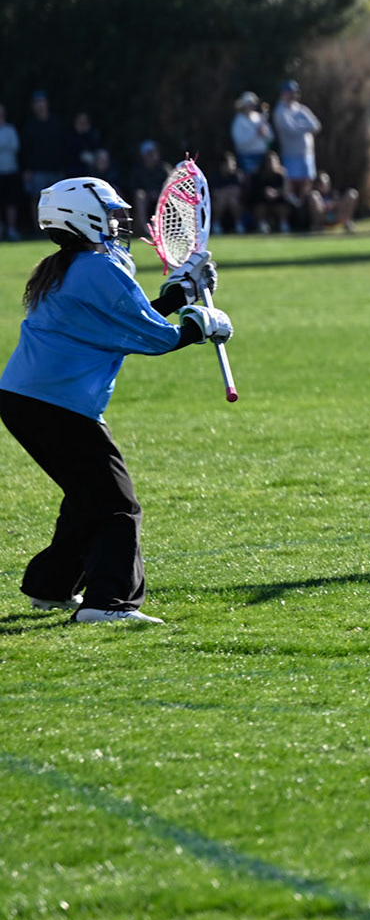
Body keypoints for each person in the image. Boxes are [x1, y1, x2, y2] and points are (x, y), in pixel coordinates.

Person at [2, 177, 228, 624]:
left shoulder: (69, 266)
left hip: (27, 399)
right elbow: (152, 337)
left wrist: (178, 295)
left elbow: (120, 320)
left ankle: (51, 587)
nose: (119, 222)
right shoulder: (96, 268)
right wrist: (198, 327)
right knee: (117, 506)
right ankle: (108, 603)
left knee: (88, 497)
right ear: (83, 217)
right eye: (111, 214)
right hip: (57, 404)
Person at [273, 81, 322, 204]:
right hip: (290, 153)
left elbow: (316, 126)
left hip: (307, 153)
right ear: (283, 94)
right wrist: (305, 127)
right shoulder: (280, 111)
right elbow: (290, 129)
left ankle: (304, 208)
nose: (293, 95)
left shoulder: (302, 109)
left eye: (295, 92)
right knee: (291, 183)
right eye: (290, 92)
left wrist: (299, 125)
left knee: (306, 183)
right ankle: (293, 209)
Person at [21, 92, 66, 201]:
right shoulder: (29, 125)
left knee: (57, 200)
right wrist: (27, 169)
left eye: (42, 102)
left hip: (56, 169)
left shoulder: (57, 122)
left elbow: (63, 144)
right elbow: (25, 149)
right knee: (37, 199)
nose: (40, 106)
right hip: (37, 171)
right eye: (37, 103)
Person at [126, 140, 171, 235]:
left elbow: (170, 186)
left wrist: (158, 193)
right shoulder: (138, 169)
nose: (152, 156)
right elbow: (133, 188)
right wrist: (149, 193)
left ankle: (167, 227)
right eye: (149, 153)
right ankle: (145, 228)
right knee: (140, 195)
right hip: (145, 199)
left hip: (161, 197)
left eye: (154, 152)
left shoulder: (165, 169)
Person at [230, 92, 273, 179]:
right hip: (246, 156)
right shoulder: (238, 120)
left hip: (262, 155)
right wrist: (255, 133)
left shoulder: (260, 117)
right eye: (249, 104)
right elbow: (239, 141)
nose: (251, 106)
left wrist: (265, 133)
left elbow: (270, 137)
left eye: (253, 104)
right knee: (249, 180)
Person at [249, 151, 291, 233]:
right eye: (268, 162)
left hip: (278, 202)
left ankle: (283, 224)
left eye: (273, 162)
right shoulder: (257, 175)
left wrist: (276, 193)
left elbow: (286, 191)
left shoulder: (281, 175)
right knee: (259, 207)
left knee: (283, 207)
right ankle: (262, 225)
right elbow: (254, 192)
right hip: (262, 201)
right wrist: (264, 193)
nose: (271, 164)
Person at [207, 152, 246, 235]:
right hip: (219, 202)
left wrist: (225, 192)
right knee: (221, 200)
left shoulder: (237, 176)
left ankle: (238, 224)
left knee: (232, 200)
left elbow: (238, 192)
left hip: (234, 201)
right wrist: (226, 193)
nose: (234, 165)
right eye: (231, 163)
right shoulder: (215, 177)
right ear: (223, 165)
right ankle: (216, 224)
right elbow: (214, 193)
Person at [0, 101, 21, 240]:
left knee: (11, 202)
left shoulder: (10, 129)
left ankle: (11, 229)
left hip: (10, 171)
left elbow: (15, 147)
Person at [67, 112, 109, 178]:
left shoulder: (93, 135)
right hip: (73, 171)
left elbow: (97, 148)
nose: (82, 123)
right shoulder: (69, 136)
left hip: (92, 173)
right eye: (80, 120)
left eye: (85, 121)